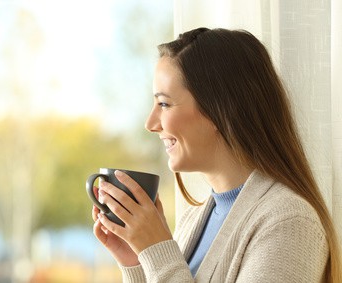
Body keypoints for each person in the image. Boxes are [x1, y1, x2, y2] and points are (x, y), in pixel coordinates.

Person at [91, 27, 341, 282]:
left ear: (219, 109)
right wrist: (137, 263)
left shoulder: (289, 222)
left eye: (164, 104)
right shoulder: (194, 219)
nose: (151, 123)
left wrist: (156, 251)